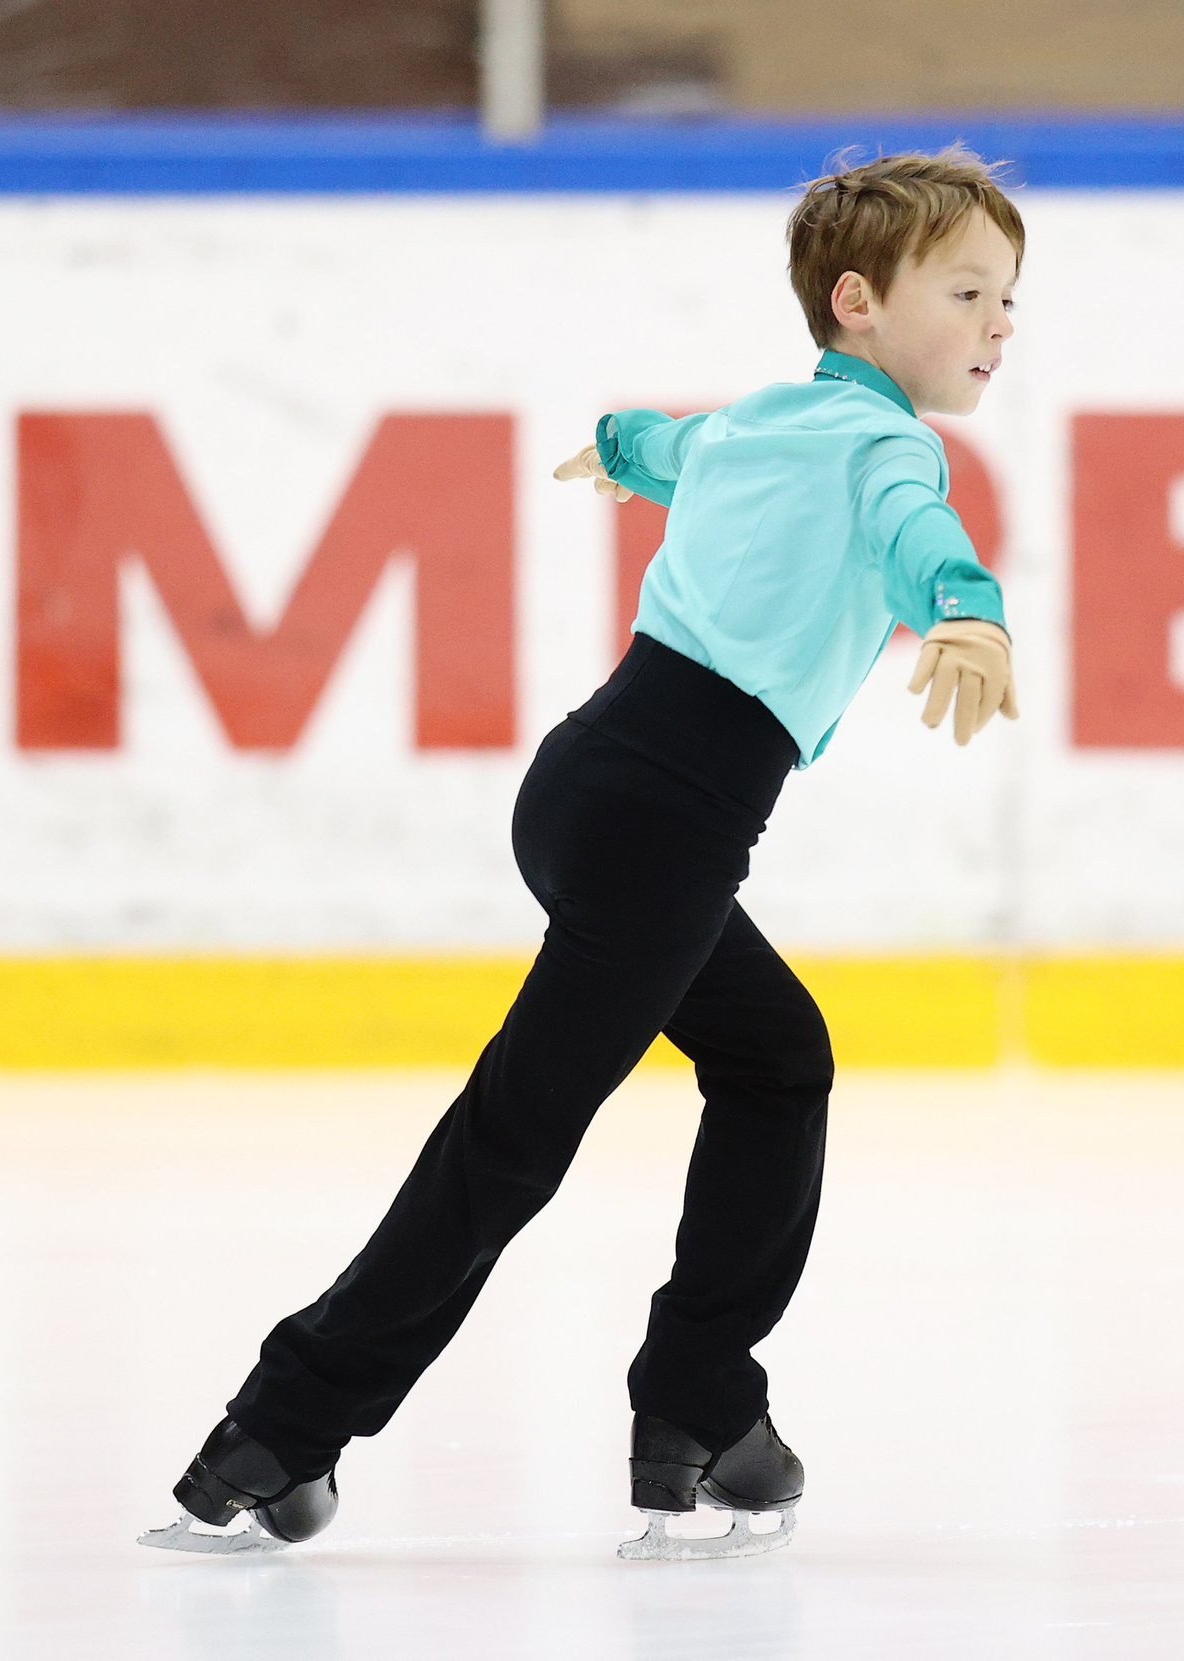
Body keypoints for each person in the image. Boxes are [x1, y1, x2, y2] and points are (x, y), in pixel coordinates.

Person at [140, 146, 1023, 1563]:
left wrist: (614, 445)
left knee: (774, 1054)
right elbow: (918, 533)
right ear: (856, 302)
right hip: (669, 820)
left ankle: (703, 1407)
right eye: (969, 291)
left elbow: (657, 442)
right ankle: (281, 1426)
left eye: (1009, 301)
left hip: (586, 790)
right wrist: (968, 608)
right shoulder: (886, 445)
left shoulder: (759, 423)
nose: (998, 324)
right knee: (516, 1135)